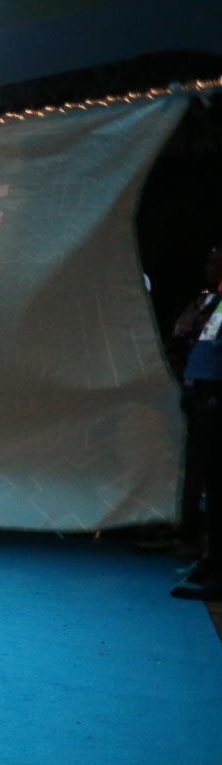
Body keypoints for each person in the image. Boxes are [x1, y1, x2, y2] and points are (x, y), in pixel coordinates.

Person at [171, 244, 222, 601]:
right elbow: (201, 348)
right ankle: (211, 558)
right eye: (210, 260)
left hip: (216, 397)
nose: (211, 267)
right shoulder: (213, 303)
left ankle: (217, 566)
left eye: (218, 261)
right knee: (211, 480)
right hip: (204, 396)